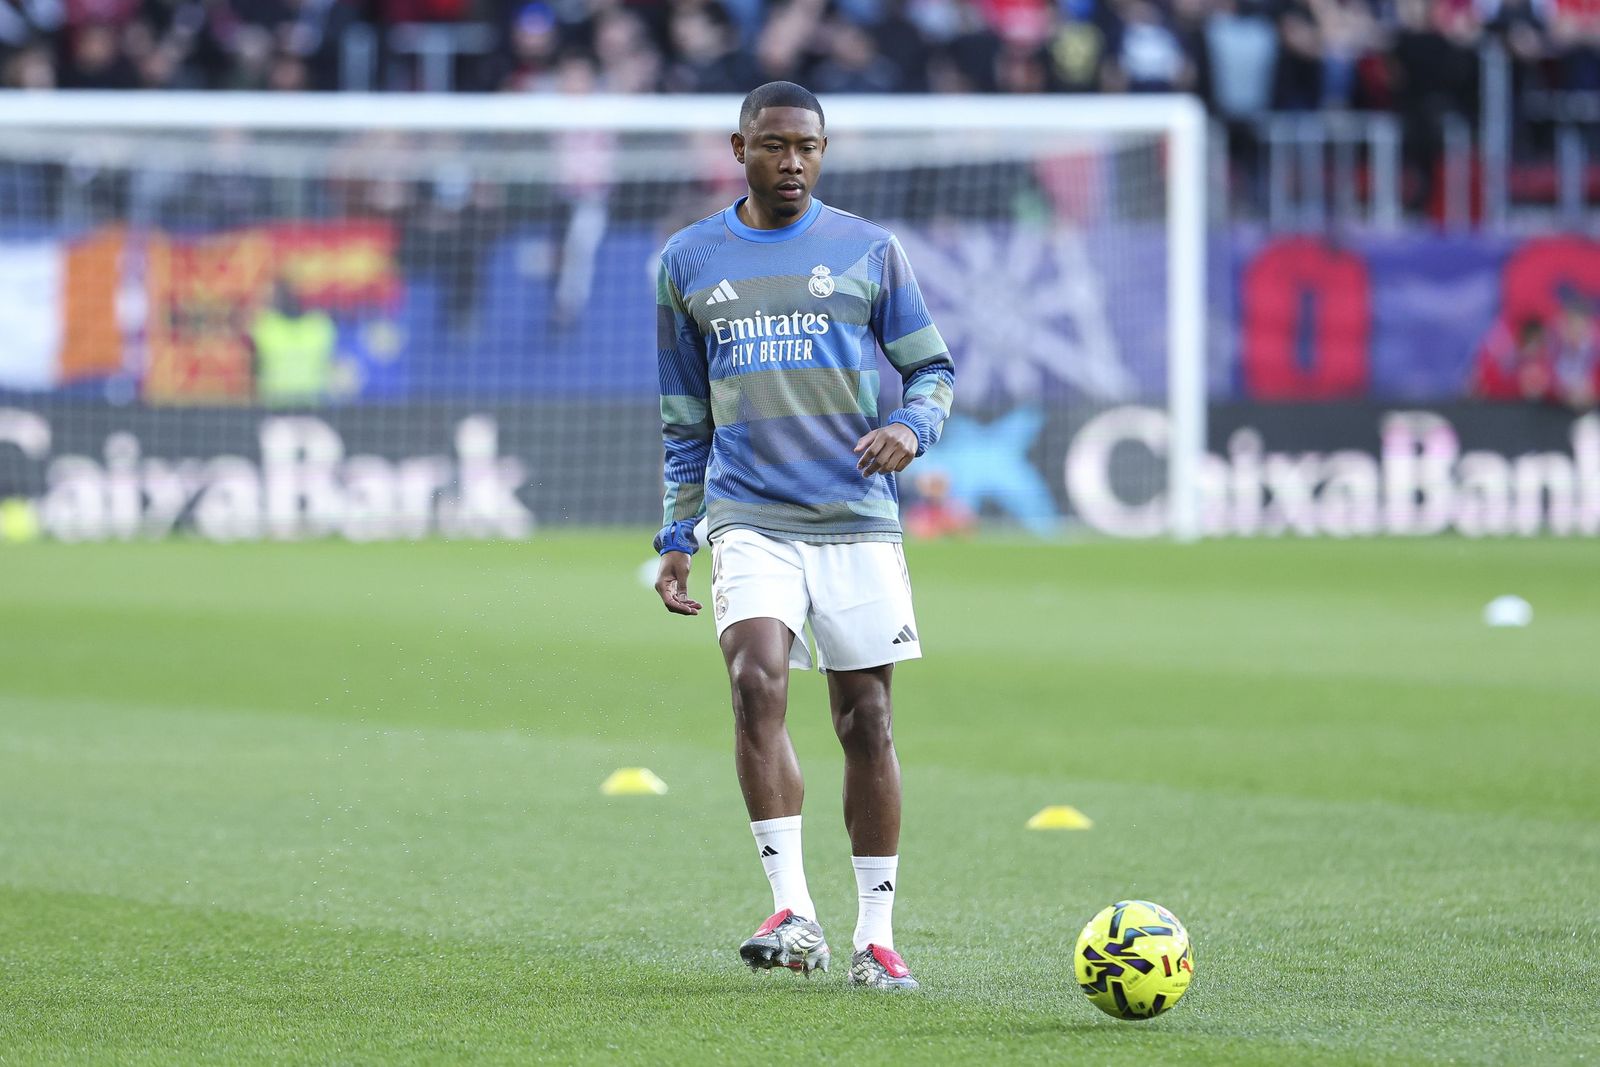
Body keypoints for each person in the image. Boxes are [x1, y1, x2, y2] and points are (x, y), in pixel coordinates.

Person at [651, 81, 955, 991]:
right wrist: (677, 531)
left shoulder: (869, 250)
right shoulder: (689, 259)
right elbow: (683, 415)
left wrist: (912, 428)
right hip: (748, 516)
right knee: (754, 679)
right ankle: (794, 912)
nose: (793, 162)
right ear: (738, 145)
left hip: (855, 518)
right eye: (775, 145)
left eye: (809, 147)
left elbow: (932, 367)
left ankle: (878, 933)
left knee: (866, 719)